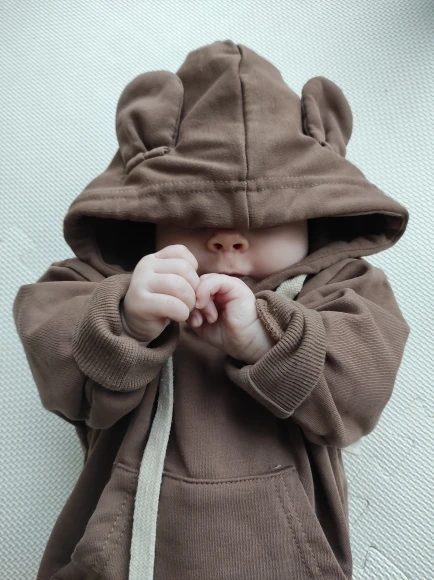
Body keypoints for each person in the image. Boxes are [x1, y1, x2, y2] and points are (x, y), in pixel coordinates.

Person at [12, 39, 411, 580]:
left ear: (316, 213)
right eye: (195, 214)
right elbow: (54, 353)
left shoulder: (342, 289)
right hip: (117, 561)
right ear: (148, 215)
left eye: (265, 217)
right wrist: (124, 320)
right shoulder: (109, 284)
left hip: (285, 561)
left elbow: (361, 392)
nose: (227, 239)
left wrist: (267, 340)